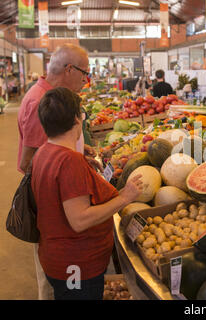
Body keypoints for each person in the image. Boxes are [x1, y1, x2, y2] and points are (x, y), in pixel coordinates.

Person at [31, 87, 143, 300]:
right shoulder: (69, 161)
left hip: (57, 258)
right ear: (76, 120)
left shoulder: (44, 152)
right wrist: (125, 197)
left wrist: (81, 162)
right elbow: (79, 220)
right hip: (76, 265)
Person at [16, 43, 101, 300]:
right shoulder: (39, 102)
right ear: (68, 69)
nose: (86, 80)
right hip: (56, 216)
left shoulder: (51, 98)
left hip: (63, 208)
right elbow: (29, 161)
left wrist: (78, 147)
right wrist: (70, 166)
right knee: (58, 288)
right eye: (84, 73)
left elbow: (50, 143)